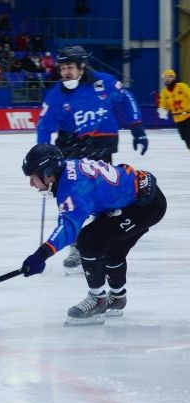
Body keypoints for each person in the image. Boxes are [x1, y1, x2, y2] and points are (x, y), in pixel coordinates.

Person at [20, 145, 166, 326]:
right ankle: (117, 297)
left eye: (33, 178)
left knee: (88, 240)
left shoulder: (73, 189)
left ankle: (97, 300)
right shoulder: (67, 169)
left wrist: (41, 255)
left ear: (48, 173)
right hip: (142, 199)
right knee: (111, 247)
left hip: (144, 207)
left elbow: (68, 228)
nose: (31, 184)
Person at [36, 45, 149, 273]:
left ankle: (102, 237)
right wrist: (43, 153)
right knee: (73, 198)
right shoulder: (56, 95)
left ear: (82, 67)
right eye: (62, 68)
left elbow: (126, 98)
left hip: (100, 150)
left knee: (101, 198)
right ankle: (76, 243)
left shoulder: (104, 82)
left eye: (70, 67)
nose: (65, 72)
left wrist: (137, 127)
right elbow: (44, 127)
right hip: (71, 150)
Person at [157, 69, 190, 150]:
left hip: (189, 115)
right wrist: (162, 111)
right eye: (166, 78)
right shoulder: (164, 92)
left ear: (174, 78)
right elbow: (163, 105)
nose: (167, 79)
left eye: (170, 77)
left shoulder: (182, 86)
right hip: (178, 119)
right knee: (185, 138)